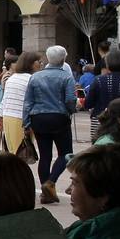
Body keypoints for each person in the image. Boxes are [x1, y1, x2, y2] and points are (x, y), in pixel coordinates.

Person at [22, 45, 77, 204]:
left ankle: (45, 193)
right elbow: (70, 100)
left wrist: (26, 122)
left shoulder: (36, 77)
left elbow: (28, 102)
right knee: (65, 153)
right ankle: (51, 182)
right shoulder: (67, 77)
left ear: (47, 58)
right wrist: (72, 109)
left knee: (45, 155)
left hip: (38, 117)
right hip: (59, 117)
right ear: (64, 59)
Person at [85, 49, 120, 143]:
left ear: (107, 64)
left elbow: (88, 103)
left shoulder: (98, 80)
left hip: (100, 120)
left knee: (99, 146)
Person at [0, 50, 41, 154]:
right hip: (22, 119)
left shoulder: (12, 78)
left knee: (14, 150)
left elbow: (4, 100)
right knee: (22, 151)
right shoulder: (32, 79)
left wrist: (0, 117)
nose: (41, 64)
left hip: (8, 117)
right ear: (31, 63)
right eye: (38, 61)